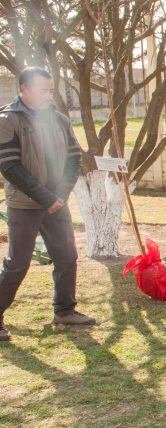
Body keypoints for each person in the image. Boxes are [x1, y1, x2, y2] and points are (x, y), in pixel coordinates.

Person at [0, 67, 96, 341]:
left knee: (67, 257)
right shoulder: (8, 119)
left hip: (57, 202)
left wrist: (61, 195)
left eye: (51, 90)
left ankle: (65, 310)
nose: (48, 95)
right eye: (43, 89)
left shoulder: (59, 120)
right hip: (24, 205)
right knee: (18, 263)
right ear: (24, 89)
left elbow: (74, 157)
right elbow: (9, 166)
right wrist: (45, 197)